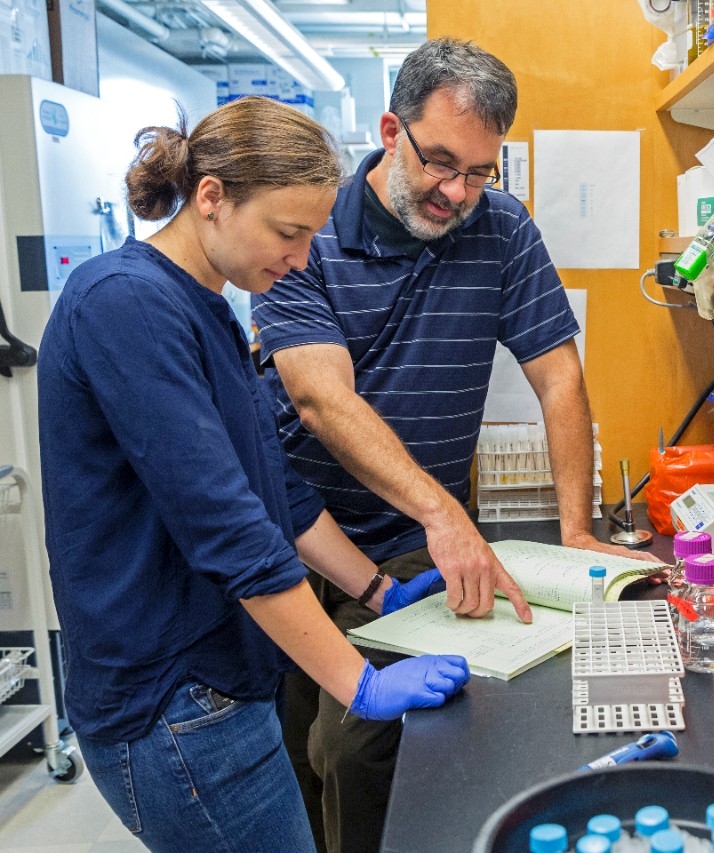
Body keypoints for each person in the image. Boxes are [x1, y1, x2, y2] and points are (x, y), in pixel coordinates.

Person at [252, 37, 661, 853]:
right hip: (298, 538)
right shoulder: (309, 229)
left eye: (479, 172)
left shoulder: (500, 229)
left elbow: (558, 379)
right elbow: (319, 398)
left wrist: (576, 530)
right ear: (391, 129)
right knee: (293, 754)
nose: (455, 192)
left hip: (412, 551)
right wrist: (445, 513)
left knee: (356, 746)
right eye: (440, 162)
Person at [36, 95, 470, 853]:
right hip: (169, 704)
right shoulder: (123, 303)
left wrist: (378, 590)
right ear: (212, 198)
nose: (302, 260)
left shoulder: (209, 309)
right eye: (289, 232)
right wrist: (358, 684)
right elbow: (229, 529)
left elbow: (275, 488)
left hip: (223, 683)